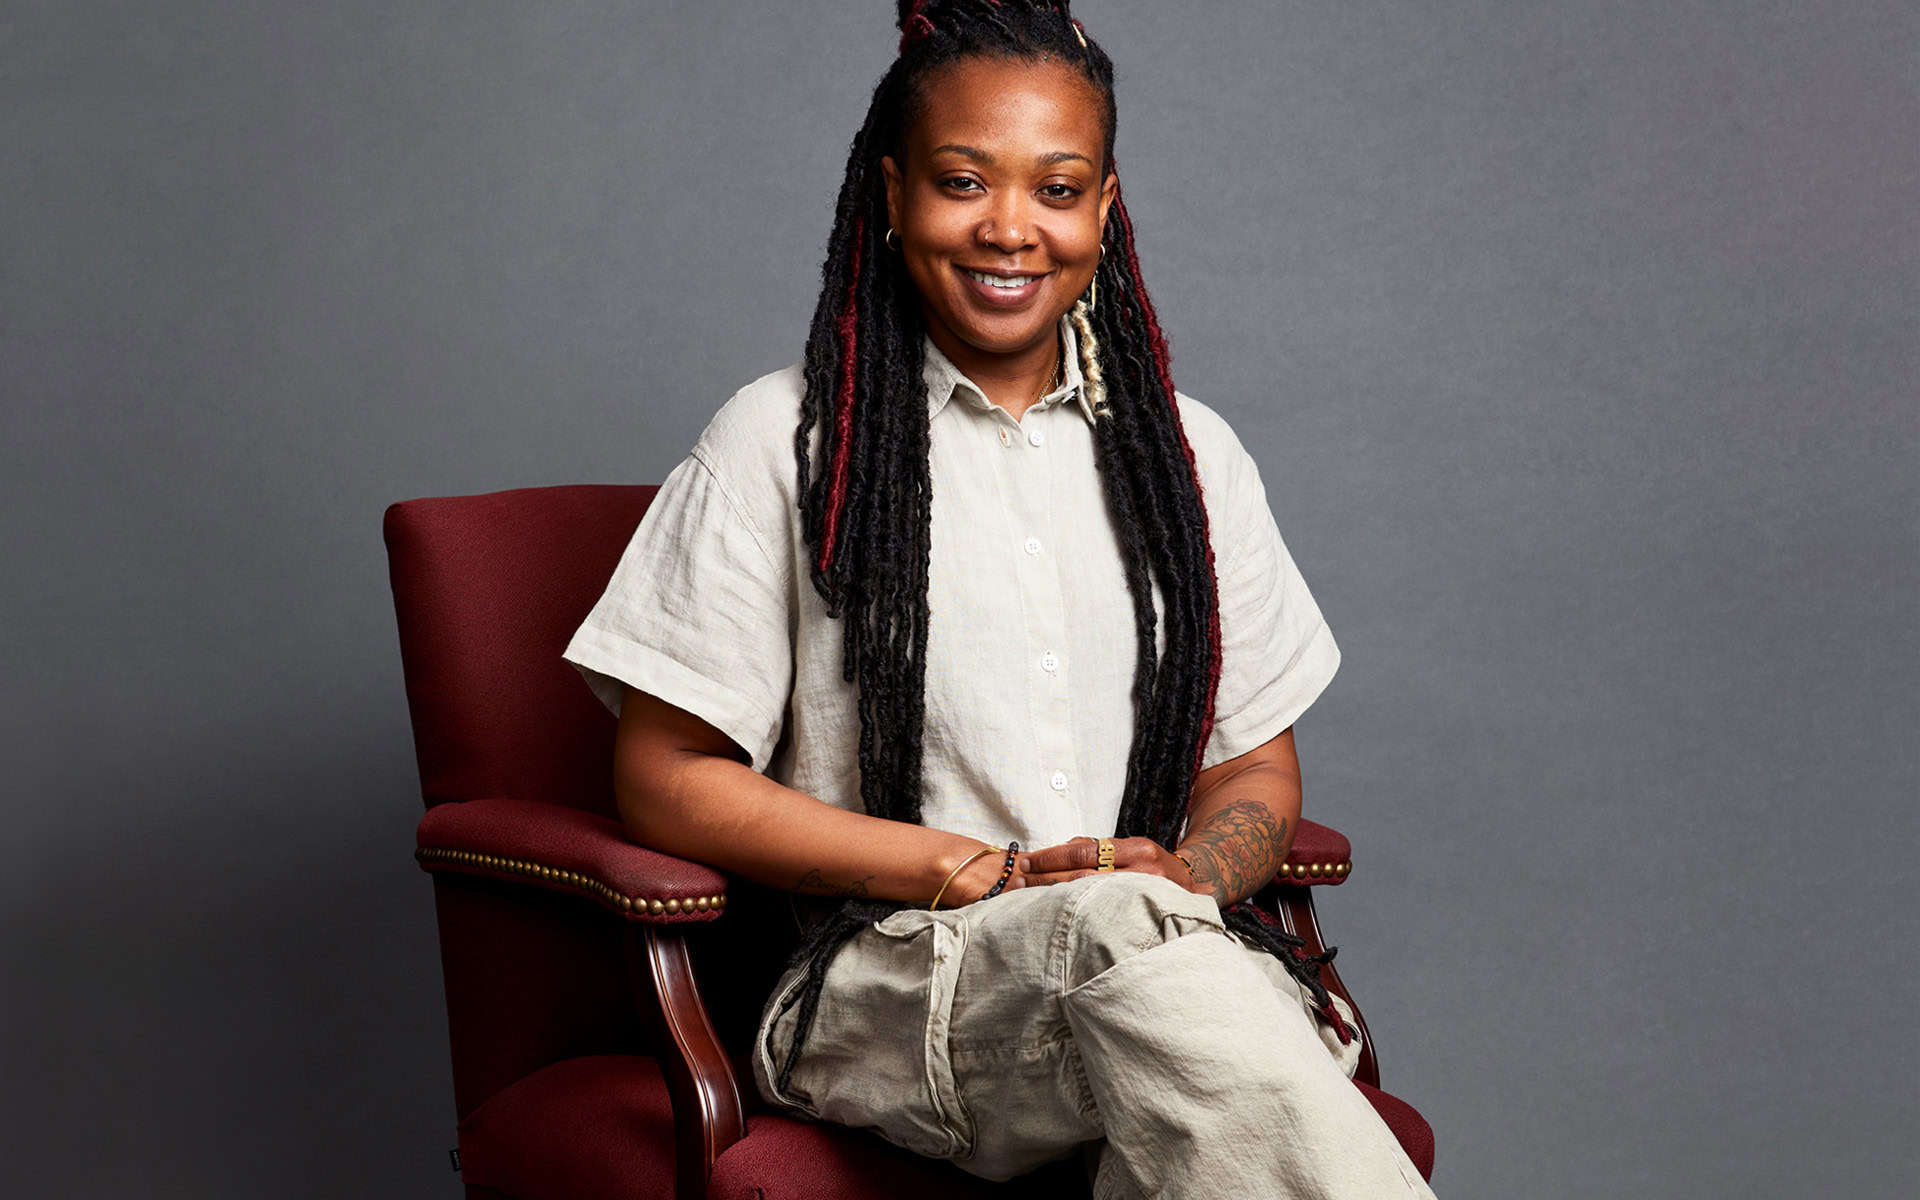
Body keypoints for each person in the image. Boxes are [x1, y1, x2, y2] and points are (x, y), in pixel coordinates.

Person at [562, 3, 1437, 1195]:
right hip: (887, 986)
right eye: (963, 181)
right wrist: (957, 865)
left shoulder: (1191, 460)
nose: (1011, 228)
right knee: (1193, 1009)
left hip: (1161, 971)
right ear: (893, 192)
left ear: (1105, 209)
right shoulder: (782, 444)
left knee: (1165, 1011)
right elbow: (663, 776)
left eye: (1057, 190)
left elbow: (1253, 771)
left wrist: (1188, 877)